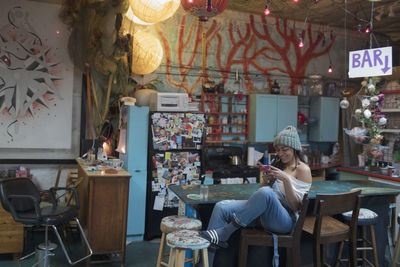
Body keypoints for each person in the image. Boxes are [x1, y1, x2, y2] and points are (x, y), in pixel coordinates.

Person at [200, 126, 312, 266]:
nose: (280, 153)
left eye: (285, 149)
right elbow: (258, 195)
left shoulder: (303, 170)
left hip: (285, 220)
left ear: (294, 148)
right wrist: (266, 182)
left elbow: (296, 207)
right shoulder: (278, 164)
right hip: (265, 214)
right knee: (221, 207)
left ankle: (225, 232)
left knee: (267, 193)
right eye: (277, 149)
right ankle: (206, 263)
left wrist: (286, 180)